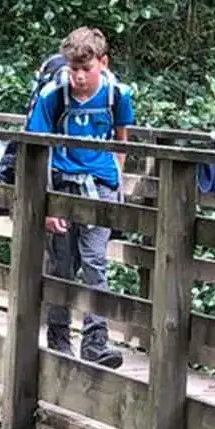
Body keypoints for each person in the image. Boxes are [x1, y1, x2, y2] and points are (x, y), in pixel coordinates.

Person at [26, 27, 135, 370]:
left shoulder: (118, 94)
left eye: (85, 69)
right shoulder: (53, 95)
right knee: (61, 265)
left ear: (102, 63)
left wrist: (115, 185)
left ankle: (96, 341)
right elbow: (37, 149)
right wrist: (46, 202)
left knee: (96, 262)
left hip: (100, 183)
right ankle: (59, 338)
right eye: (73, 69)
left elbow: (122, 141)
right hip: (61, 182)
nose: (78, 77)